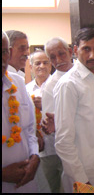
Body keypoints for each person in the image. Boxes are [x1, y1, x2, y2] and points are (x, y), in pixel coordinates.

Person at [53, 28, 94, 192]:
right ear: (75, 50)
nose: (92, 55)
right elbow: (63, 141)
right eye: (86, 49)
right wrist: (81, 180)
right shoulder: (68, 84)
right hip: (85, 173)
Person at [2, 30, 40, 193]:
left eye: (3, 51)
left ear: (8, 53)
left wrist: (35, 157)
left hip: (27, 181)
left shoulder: (17, 81)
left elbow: (30, 130)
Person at [39, 37, 74, 193]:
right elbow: (50, 125)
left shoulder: (85, 72)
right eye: (53, 57)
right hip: (65, 151)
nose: (59, 60)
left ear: (70, 51)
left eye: (62, 53)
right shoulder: (51, 85)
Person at [25, 49, 52, 193]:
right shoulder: (25, 89)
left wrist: (46, 105)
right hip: (36, 151)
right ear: (31, 67)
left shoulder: (59, 85)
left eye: (45, 62)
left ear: (50, 65)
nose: (42, 66)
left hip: (58, 147)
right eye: (37, 63)